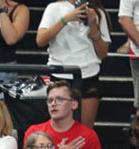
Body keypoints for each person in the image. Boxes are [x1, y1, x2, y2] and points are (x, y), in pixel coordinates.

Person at [36, 0, 111, 129]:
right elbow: (41, 40)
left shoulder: (97, 11)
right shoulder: (54, 8)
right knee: (59, 124)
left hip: (88, 73)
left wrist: (93, 27)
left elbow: (103, 53)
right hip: (60, 73)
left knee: (85, 129)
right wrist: (65, 19)